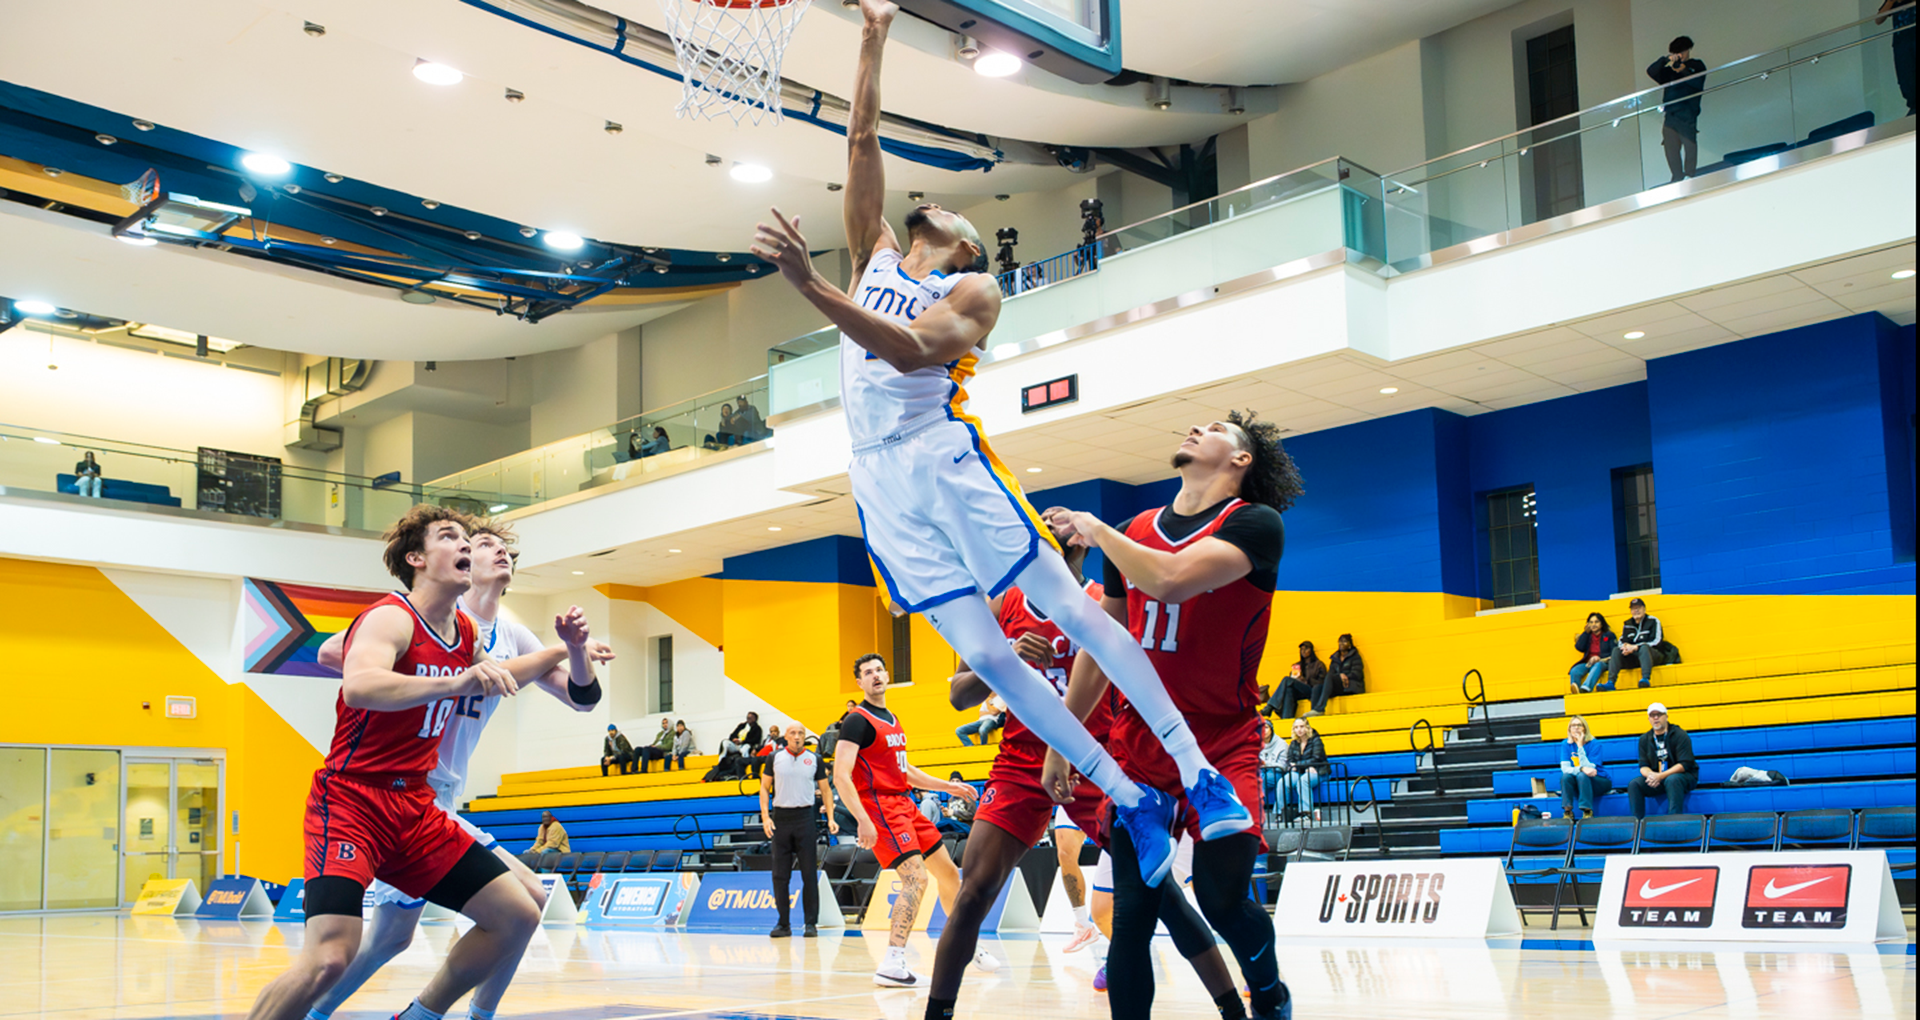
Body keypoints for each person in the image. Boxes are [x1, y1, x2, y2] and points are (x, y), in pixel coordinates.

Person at [751, 0, 1250, 894]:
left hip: (938, 451)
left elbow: (905, 349)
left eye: (957, 213)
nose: (939, 202)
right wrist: (873, 32)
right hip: (875, 477)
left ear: (969, 249)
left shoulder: (977, 288)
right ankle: (1124, 794)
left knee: (1068, 607)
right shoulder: (873, 256)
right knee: (983, 657)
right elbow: (861, 139)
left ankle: (1199, 772)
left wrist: (809, 287)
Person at [242, 506, 551, 1020]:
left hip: (415, 807)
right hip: (352, 800)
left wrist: (565, 652)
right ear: (416, 558)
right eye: (450, 537)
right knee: (329, 958)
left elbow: (504, 672)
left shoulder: (467, 635)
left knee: (517, 913)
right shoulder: (390, 616)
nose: (466, 546)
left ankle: (420, 1016)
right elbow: (360, 686)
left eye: (466, 539)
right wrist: (456, 683)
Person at [1045, 411, 1304, 1020]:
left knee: (1222, 899)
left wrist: (1095, 530)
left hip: (1220, 741)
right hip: (1139, 749)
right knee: (1131, 917)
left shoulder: (1255, 524)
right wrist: (1063, 740)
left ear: (1241, 459)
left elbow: (1171, 581)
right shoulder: (1136, 528)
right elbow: (1101, 646)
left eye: (1214, 428)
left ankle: (1267, 992)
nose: (1194, 428)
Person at [304, 517, 612, 1020]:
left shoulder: (509, 632)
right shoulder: (436, 610)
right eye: (478, 543)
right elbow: (330, 650)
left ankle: (466, 1012)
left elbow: (582, 697)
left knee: (409, 934)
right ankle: (422, 1013)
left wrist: (573, 648)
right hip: (402, 789)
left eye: (492, 545)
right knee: (410, 933)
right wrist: (426, 671)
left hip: (442, 794)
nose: (489, 551)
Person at [831, 653, 978, 987]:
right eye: (867, 673)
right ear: (859, 683)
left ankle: (964, 944)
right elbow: (841, 775)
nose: (875, 676)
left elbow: (905, 771)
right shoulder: (857, 720)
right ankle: (893, 962)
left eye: (879, 670)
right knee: (916, 880)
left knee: (949, 874)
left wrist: (948, 785)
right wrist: (863, 819)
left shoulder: (893, 718)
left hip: (904, 802)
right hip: (881, 807)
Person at [760, 722, 837, 937]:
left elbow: (826, 790)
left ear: (805, 737)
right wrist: (766, 817)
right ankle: (783, 924)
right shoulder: (774, 758)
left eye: (801, 733)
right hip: (781, 819)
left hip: (805, 818)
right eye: (793, 733)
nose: (797, 736)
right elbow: (764, 788)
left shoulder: (815, 759)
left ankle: (810, 924)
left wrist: (830, 817)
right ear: (785, 736)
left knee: (809, 874)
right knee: (780, 875)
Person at [1647, 37, 1707, 183]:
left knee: (1689, 144)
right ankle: (1677, 176)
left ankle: (1690, 175)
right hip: (1670, 113)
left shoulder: (1696, 65)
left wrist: (1685, 71)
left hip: (1687, 112)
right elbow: (1651, 71)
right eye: (1676, 52)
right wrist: (1665, 60)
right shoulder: (1669, 71)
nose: (1680, 55)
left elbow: (1698, 84)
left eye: (1682, 51)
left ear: (1688, 50)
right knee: (1670, 146)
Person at [1627, 702, 1697, 818]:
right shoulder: (1645, 738)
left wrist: (1662, 776)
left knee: (1672, 780)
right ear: (1649, 719)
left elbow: (1684, 764)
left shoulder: (1679, 734)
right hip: (1658, 778)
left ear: (1666, 716)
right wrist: (1652, 776)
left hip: (1683, 776)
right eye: (1652, 715)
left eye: (1659, 714)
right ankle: (1637, 822)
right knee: (1634, 784)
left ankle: (1674, 819)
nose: (1656, 718)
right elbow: (1643, 765)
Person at [1558, 715, 1611, 819]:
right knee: (1565, 777)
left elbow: (1590, 769)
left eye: (1579, 725)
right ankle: (1567, 811)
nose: (1576, 728)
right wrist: (1580, 769)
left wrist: (1580, 746)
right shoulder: (1565, 744)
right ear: (1569, 729)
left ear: (1584, 728)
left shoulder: (1595, 744)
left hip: (1599, 781)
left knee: (1582, 775)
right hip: (1580, 781)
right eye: (1573, 726)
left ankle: (1587, 811)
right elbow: (1565, 768)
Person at [1610, 598, 1668, 689]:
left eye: (1638, 608)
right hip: (1634, 657)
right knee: (1616, 650)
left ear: (1644, 609)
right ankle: (1610, 682)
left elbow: (1657, 641)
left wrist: (1636, 647)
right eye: (1633, 609)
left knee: (1644, 647)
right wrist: (1625, 647)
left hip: (1652, 655)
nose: (1636, 610)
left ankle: (1645, 679)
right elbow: (1621, 641)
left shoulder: (1653, 621)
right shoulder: (1627, 624)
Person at [1264, 642, 1328, 718]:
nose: (1303, 651)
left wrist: (1306, 681)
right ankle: (1287, 718)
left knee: (1286, 680)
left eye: (1306, 649)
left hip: (1311, 691)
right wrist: (1295, 678)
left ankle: (1270, 706)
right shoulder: (1297, 665)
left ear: (1311, 650)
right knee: (1288, 688)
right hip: (1299, 691)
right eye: (1302, 649)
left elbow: (1322, 682)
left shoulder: (1319, 664)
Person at [1282, 718, 1326, 824]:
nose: (1299, 730)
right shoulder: (1294, 743)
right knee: (1284, 781)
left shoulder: (1316, 740)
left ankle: (1306, 813)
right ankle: (1280, 813)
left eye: (1301, 726)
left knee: (1303, 781)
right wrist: (1298, 766)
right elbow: (1290, 759)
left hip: (1320, 770)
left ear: (1307, 728)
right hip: (1302, 771)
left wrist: (1298, 765)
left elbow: (1316, 758)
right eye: (1296, 727)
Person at [1880, 0, 1917, 116]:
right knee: (1906, 77)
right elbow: (1878, 19)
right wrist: (1891, 1)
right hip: (1901, 44)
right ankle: (1913, 105)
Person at [1569, 612, 1618, 693]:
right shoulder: (1588, 635)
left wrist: (1599, 658)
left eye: (1596, 622)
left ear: (1602, 624)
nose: (1593, 624)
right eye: (1591, 622)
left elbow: (1614, 652)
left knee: (1598, 665)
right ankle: (1576, 691)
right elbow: (1579, 647)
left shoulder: (1609, 635)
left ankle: (1586, 688)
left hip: (1603, 662)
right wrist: (1585, 632)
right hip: (1588, 663)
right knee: (1575, 670)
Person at [1258, 718, 1288, 821]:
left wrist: (1266, 764)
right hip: (1261, 772)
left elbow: (1282, 766)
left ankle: (1261, 811)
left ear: (1271, 729)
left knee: (1262, 780)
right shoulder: (1255, 743)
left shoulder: (1281, 744)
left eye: (1266, 727)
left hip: (1277, 773)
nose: (1263, 730)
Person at [1326, 633, 1365, 703]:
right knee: (1318, 687)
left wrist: (1345, 676)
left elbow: (1357, 674)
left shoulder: (1355, 657)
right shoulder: (1335, 659)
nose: (1341, 643)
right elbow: (1330, 673)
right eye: (1340, 641)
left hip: (1352, 685)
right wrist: (1339, 676)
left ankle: (1320, 707)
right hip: (1340, 686)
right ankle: (1316, 709)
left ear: (1350, 645)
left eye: (1344, 641)